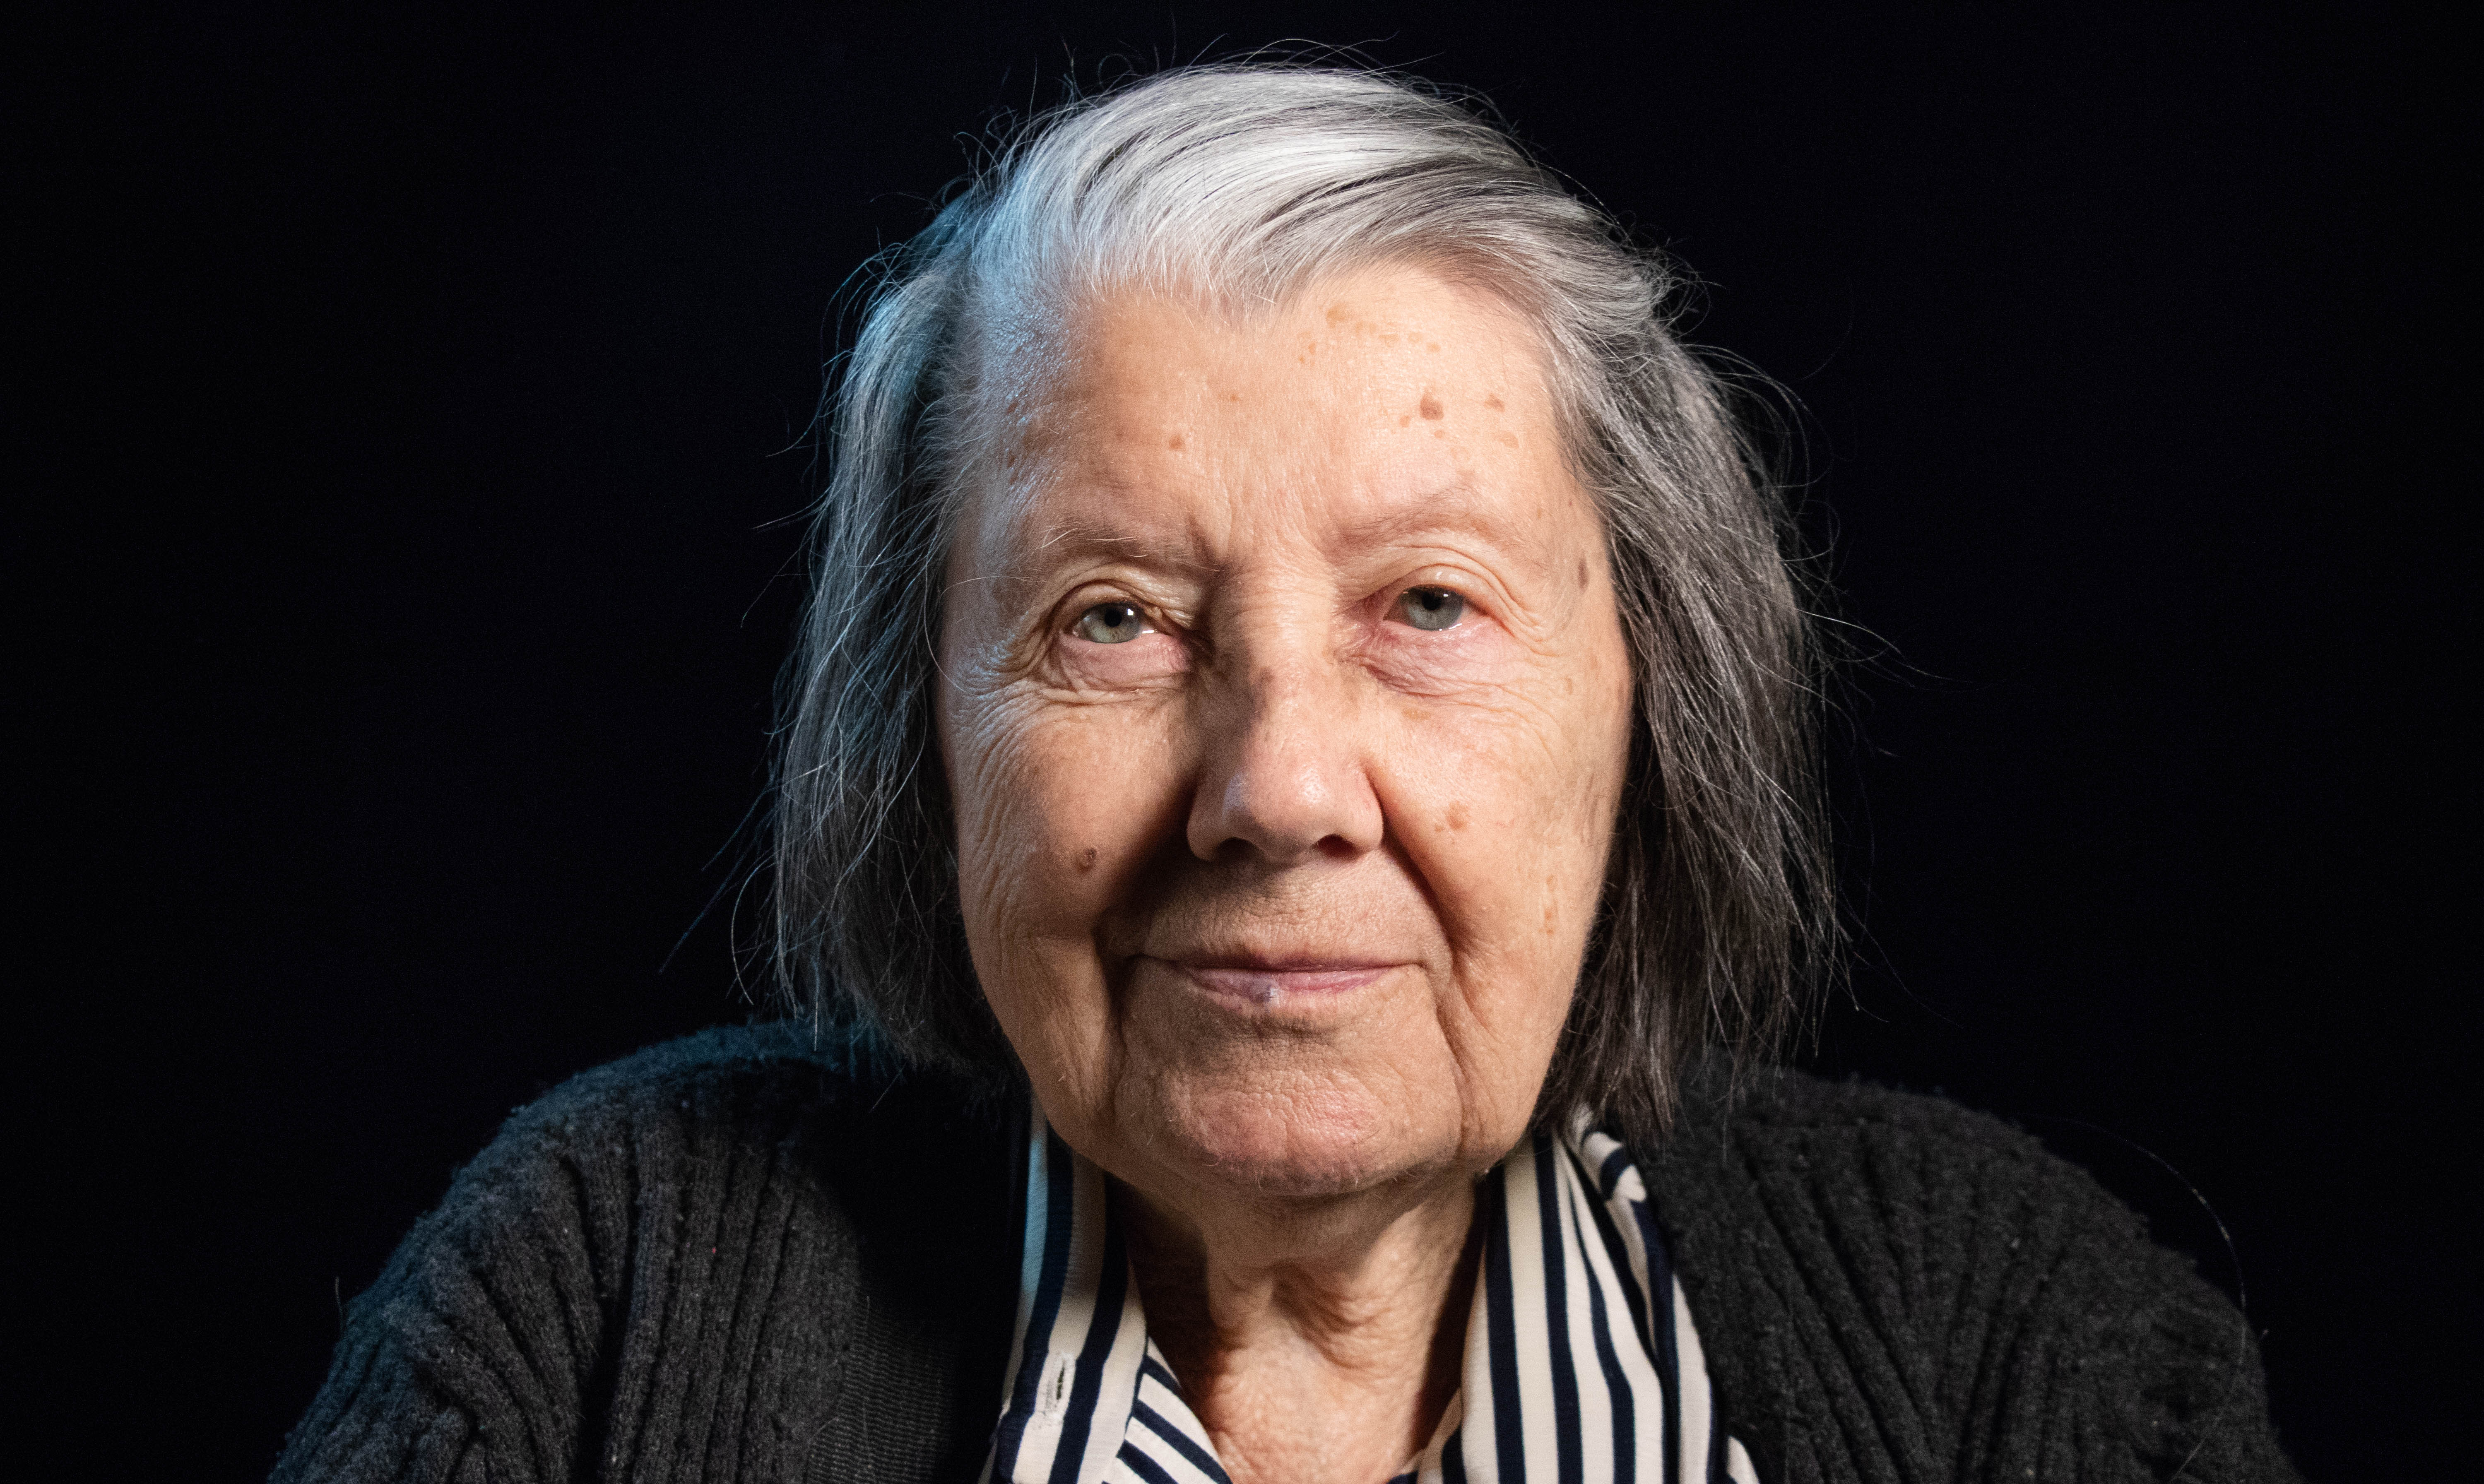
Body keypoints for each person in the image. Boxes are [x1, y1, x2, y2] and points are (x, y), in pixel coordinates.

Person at [272, 66, 2297, 1484]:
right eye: (1115, 620)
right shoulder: (602, 1299)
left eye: (1427, 605)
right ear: (924, 732)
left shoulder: (2025, 1349)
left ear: (1648, 698)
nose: (1278, 788)